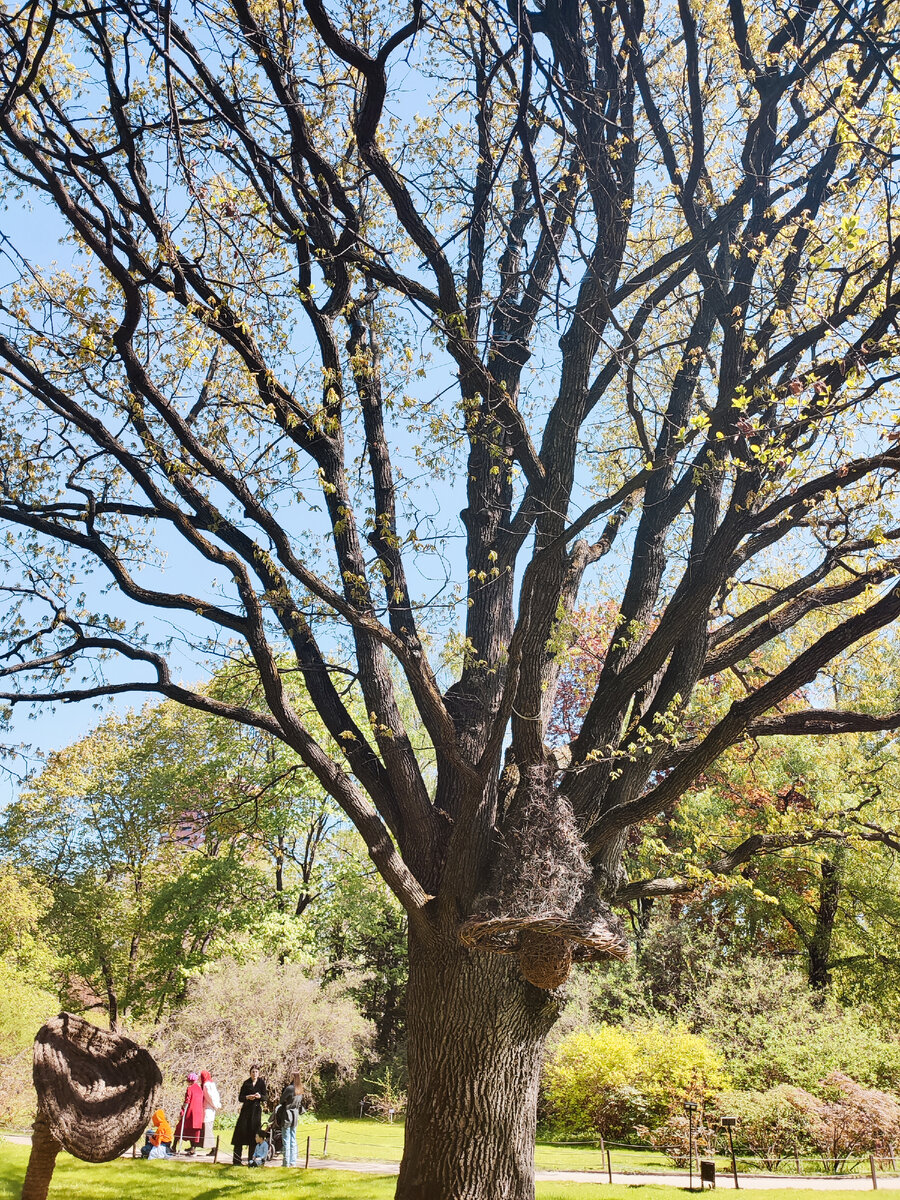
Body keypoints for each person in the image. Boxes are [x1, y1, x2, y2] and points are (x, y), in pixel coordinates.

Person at [231, 1063, 268, 1165]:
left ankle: (252, 1160)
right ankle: (237, 1160)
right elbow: (240, 1098)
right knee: (240, 1135)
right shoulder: (246, 1083)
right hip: (246, 1112)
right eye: (253, 1072)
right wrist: (248, 1097)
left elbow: (265, 1097)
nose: (254, 1074)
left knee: (254, 1137)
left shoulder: (261, 1083)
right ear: (250, 1073)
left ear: (258, 1073)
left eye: (256, 1072)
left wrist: (259, 1096)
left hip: (255, 1113)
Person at [276, 1070, 307, 1168]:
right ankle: (293, 1161)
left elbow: (281, 1100)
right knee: (293, 1139)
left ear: (293, 1078)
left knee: (286, 1139)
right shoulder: (300, 1089)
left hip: (287, 1115)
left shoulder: (290, 1088)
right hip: (295, 1116)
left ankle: (286, 1162)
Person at [175, 1071, 204, 1155]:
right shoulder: (200, 1089)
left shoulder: (190, 1088)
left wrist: (182, 1110)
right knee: (195, 1131)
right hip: (198, 1114)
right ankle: (193, 1148)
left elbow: (187, 1101)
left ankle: (173, 1146)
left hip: (190, 1113)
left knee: (179, 1128)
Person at [200, 1069, 221, 1152]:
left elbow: (209, 1096)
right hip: (210, 1108)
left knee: (208, 1128)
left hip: (208, 1108)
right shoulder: (212, 1084)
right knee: (207, 1127)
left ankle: (213, 1148)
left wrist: (215, 1105)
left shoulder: (206, 1085)